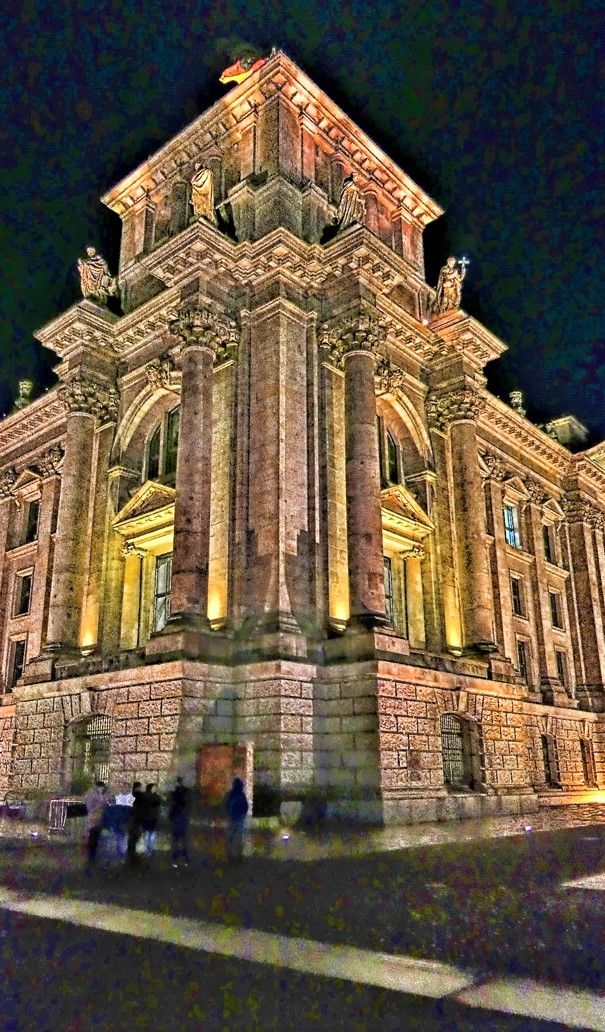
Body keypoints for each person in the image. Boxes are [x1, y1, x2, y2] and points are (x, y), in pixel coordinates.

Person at [169, 776, 191, 868]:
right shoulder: (186, 791)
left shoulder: (174, 793)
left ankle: (175, 860)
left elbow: (171, 804)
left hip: (176, 817)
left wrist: (170, 817)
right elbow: (189, 804)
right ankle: (185, 859)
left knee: (176, 840)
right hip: (183, 817)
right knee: (183, 839)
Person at [225, 777, 249, 862]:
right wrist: (243, 815)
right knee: (238, 838)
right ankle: (238, 856)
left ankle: (231, 856)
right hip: (239, 818)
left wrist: (229, 816)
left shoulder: (231, 794)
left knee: (231, 838)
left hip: (234, 818)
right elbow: (246, 806)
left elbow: (228, 806)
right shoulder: (241, 794)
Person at [84, 781, 107, 864]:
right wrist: (99, 805)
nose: (102, 789)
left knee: (96, 837)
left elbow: (104, 803)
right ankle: (91, 856)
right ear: (98, 787)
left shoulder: (101, 795)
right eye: (102, 787)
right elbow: (90, 808)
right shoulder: (91, 794)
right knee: (92, 837)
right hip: (93, 818)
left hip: (99, 819)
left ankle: (93, 854)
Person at [140, 783, 162, 858]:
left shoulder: (154, 796)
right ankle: (149, 850)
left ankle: (150, 850)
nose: (155, 789)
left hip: (151, 818)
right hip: (149, 817)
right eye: (154, 787)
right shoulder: (151, 796)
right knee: (149, 834)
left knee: (150, 834)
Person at [126, 781, 145, 864]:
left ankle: (130, 851)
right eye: (140, 787)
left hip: (132, 817)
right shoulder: (139, 796)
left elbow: (128, 806)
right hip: (137, 817)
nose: (141, 789)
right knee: (135, 835)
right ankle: (132, 853)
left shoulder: (131, 796)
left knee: (133, 835)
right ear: (137, 787)